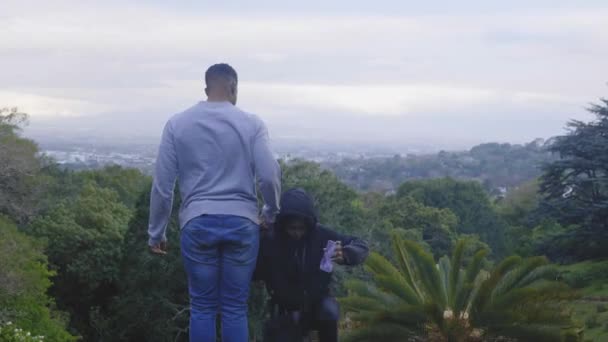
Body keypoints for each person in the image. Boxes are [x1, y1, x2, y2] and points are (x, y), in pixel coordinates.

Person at [147, 63, 281, 342]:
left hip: (197, 220)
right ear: (234, 88)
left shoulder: (177, 124)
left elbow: (163, 185)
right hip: (243, 222)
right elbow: (269, 176)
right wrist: (269, 212)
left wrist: (156, 232)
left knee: (202, 306)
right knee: (234, 307)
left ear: (206, 88)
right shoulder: (252, 124)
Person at [255, 188, 369, 342]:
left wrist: (347, 253)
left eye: (301, 228)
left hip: (317, 305)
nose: (297, 233)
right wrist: (253, 232)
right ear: (283, 224)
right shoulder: (270, 239)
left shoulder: (322, 236)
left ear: (308, 225)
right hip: (283, 309)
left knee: (329, 310)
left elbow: (361, 246)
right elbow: (252, 269)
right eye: (292, 228)